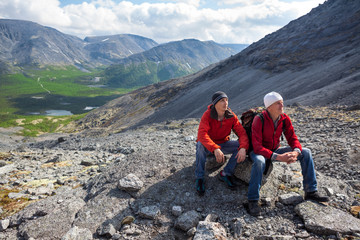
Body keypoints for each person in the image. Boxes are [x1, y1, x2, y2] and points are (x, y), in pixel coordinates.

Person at [247, 91, 329, 216]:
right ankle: (252, 200)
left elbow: (293, 139)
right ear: (269, 107)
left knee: (305, 152)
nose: (282, 106)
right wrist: (279, 157)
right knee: (259, 161)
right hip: (259, 152)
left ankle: (311, 191)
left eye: (282, 103)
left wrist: (296, 152)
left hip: (275, 150)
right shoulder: (259, 119)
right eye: (278, 103)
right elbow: (257, 147)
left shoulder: (284, 119)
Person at [195, 91, 249, 196]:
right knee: (200, 144)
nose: (226, 103)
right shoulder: (207, 115)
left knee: (240, 146)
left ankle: (226, 173)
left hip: (223, 143)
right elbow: (202, 135)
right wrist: (215, 148)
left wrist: (243, 148)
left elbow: (242, 134)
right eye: (222, 101)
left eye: (226, 100)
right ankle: (199, 177)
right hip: (209, 145)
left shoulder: (230, 116)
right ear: (215, 104)